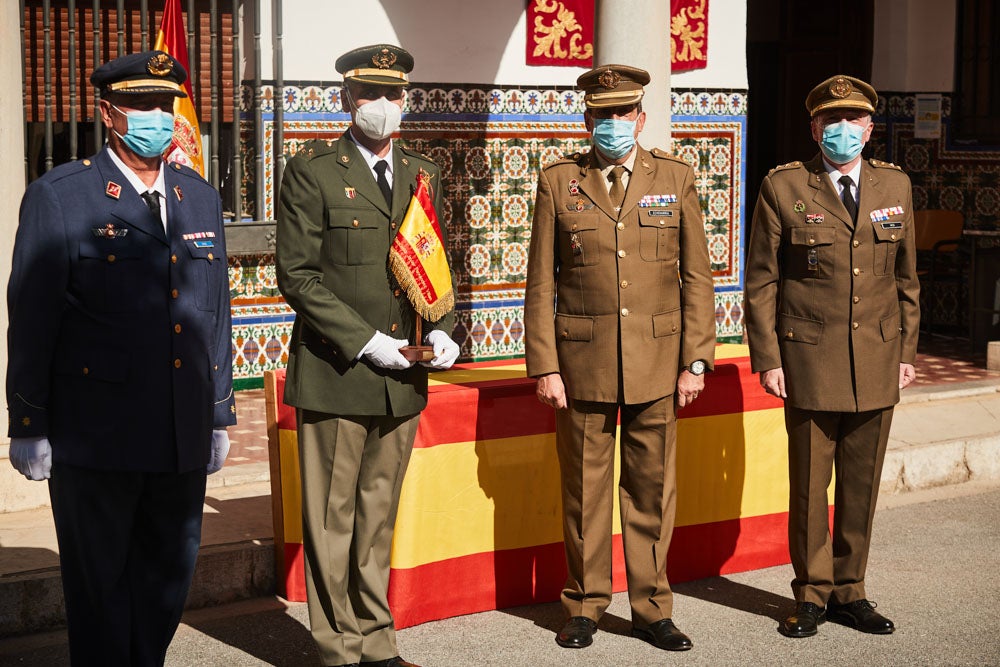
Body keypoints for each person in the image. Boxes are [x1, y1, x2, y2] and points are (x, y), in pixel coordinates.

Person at [5, 50, 235, 666]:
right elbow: (32, 318)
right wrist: (29, 421)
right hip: (97, 435)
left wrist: (219, 411)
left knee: (167, 580)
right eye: (140, 105)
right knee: (100, 590)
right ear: (108, 113)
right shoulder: (62, 196)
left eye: (164, 105)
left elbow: (215, 311)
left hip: (180, 431)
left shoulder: (197, 197)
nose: (156, 117)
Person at [276, 44, 458, 667]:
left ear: (406, 100)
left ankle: (377, 642)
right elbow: (299, 276)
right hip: (338, 370)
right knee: (332, 521)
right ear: (346, 100)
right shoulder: (313, 169)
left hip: (404, 376)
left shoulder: (422, 171)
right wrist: (369, 342)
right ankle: (338, 649)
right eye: (370, 94)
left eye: (393, 94)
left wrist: (443, 328)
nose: (383, 104)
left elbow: (432, 263)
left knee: (378, 515)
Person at [524, 64, 716, 652]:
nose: (613, 123)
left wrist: (696, 360)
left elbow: (697, 277)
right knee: (585, 491)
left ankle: (652, 608)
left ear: (641, 117)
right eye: (602, 114)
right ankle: (584, 605)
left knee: (651, 490)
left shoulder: (675, 177)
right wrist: (545, 365)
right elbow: (541, 281)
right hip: (582, 363)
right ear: (587, 120)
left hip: (658, 360)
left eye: (622, 113)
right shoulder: (560, 181)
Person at [744, 74, 919, 639]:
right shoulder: (785, 186)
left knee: (861, 487)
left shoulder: (895, 185)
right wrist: (768, 358)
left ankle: (851, 592)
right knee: (809, 487)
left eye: (853, 120)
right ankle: (812, 595)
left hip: (877, 357)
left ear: (869, 129)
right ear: (814, 128)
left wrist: (906, 351)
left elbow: (907, 279)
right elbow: (762, 281)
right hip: (808, 360)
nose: (843, 130)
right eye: (831, 121)